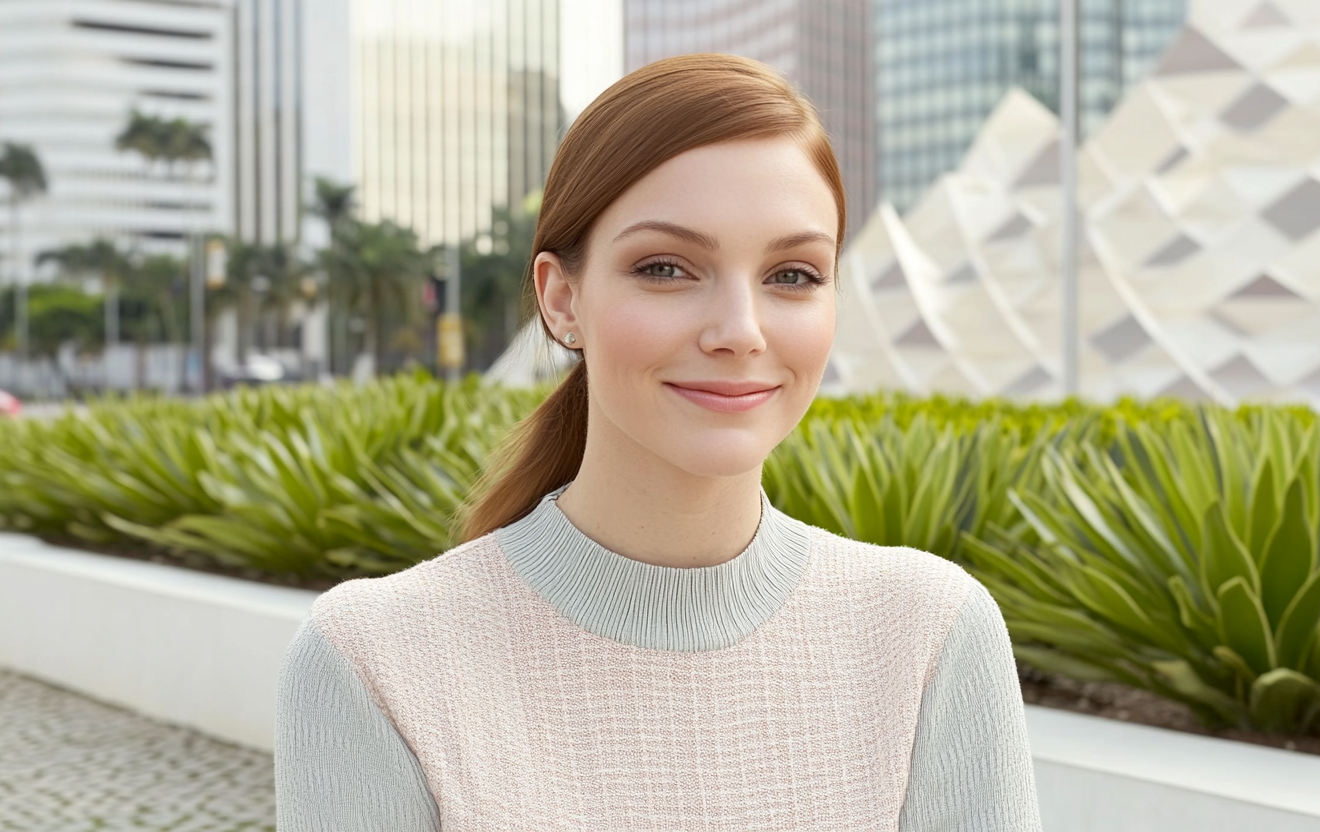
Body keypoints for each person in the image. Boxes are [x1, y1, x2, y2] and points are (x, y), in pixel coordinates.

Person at [274, 53, 1042, 832]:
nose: (740, 332)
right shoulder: (376, 662)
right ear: (562, 298)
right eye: (667, 268)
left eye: (793, 275)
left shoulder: (929, 639)